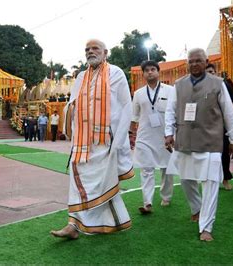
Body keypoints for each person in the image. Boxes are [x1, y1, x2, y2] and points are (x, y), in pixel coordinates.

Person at [51, 39, 134, 239]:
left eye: (95, 48)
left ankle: (113, 221)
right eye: (87, 49)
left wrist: (119, 142)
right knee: (76, 178)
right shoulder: (80, 77)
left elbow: (126, 107)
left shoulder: (116, 73)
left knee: (105, 182)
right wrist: (71, 111)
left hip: (105, 142)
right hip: (82, 143)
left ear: (106, 52)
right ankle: (73, 223)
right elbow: (72, 103)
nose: (90, 51)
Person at [165, 48, 233, 242]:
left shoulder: (218, 84)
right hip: (184, 141)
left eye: (198, 61)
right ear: (187, 63)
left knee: (211, 184)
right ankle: (197, 208)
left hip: (211, 143)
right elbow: (170, 111)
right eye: (191, 61)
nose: (194, 64)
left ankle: (206, 226)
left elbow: (229, 113)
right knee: (186, 180)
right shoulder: (178, 85)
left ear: (206, 62)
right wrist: (168, 134)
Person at [130, 60, 174, 214]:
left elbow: (175, 113)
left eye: (153, 69)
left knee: (166, 169)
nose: (150, 72)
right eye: (147, 70)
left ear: (158, 71)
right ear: (143, 74)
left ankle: (166, 196)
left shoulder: (170, 91)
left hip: (165, 136)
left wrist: (173, 133)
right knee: (146, 169)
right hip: (145, 137)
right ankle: (147, 202)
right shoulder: (138, 93)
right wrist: (131, 135)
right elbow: (134, 117)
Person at [206, 65, 233, 191]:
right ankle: (208, 179)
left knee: (224, 153)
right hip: (205, 129)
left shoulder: (223, 85)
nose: (211, 74)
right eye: (209, 72)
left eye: (213, 72)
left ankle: (225, 179)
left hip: (222, 127)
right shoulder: (199, 87)